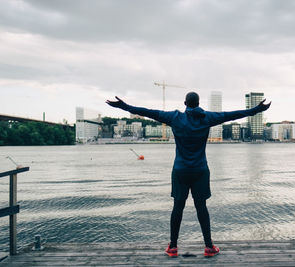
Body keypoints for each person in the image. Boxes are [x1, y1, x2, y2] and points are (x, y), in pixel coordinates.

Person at [106, 92, 271, 257]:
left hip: (180, 171)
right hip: (200, 170)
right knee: (202, 208)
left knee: (178, 207)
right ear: (198, 103)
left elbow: (148, 112)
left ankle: (173, 247)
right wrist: (256, 109)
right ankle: (208, 247)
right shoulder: (207, 118)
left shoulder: (175, 118)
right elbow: (232, 115)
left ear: (185, 103)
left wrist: (124, 106)